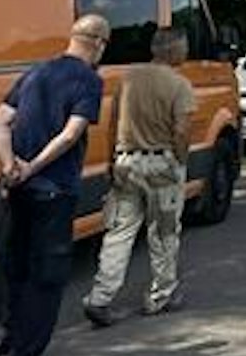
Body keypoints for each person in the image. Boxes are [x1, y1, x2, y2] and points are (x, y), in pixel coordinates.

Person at [0, 15, 109, 356]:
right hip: (54, 190)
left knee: (16, 269)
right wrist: (35, 166)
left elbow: (0, 119)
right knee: (47, 276)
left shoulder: (36, 72)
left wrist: (10, 164)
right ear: (99, 43)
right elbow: (71, 134)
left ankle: (8, 347)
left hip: (19, 191)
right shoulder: (88, 80)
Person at [83, 25, 197, 326]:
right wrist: (179, 161)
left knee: (119, 232)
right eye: (183, 47)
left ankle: (100, 297)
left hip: (126, 162)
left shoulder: (129, 78)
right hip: (162, 164)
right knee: (163, 232)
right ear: (172, 50)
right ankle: (161, 295)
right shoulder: (180, 85)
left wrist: (111, 159)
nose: (186, 53)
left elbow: (112, 122)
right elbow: (182, 130)